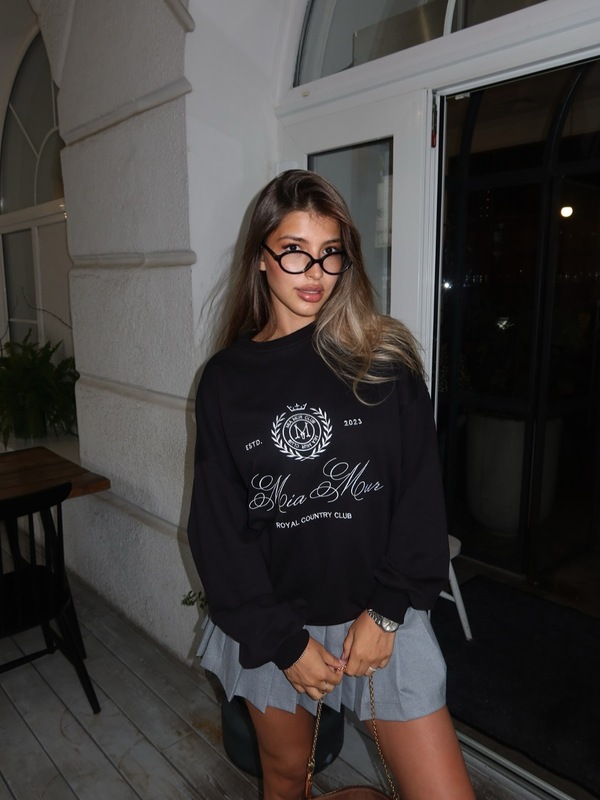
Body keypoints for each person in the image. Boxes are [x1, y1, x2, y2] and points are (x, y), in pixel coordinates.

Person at [187, 169, 476, 800]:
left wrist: (387, 610)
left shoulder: (384, 360)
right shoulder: (227, 382)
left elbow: (420, 498)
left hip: (382, 617)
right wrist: (284, 643)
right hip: (276, 622)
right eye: (294, 250)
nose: (314, 271)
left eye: (330, 252)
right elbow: (219, 529)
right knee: (287, 778)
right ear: (261, 259)